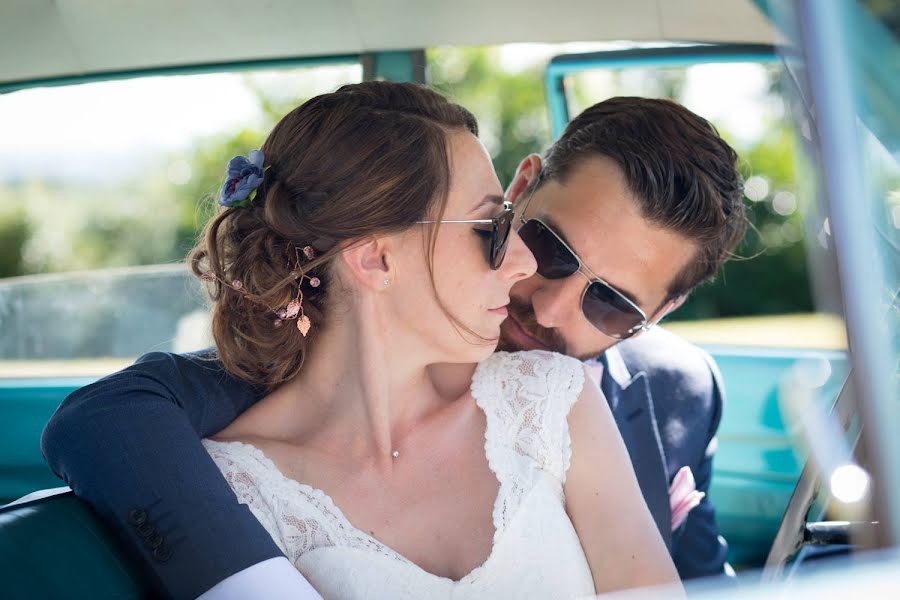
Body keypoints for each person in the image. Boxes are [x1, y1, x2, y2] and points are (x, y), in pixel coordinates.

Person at [42, 91, 744, 598]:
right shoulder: (225, 459)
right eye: (541, 244)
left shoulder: (579, 399)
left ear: (663, 310)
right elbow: (106, 419)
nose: (542, 291)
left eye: (611, 303)